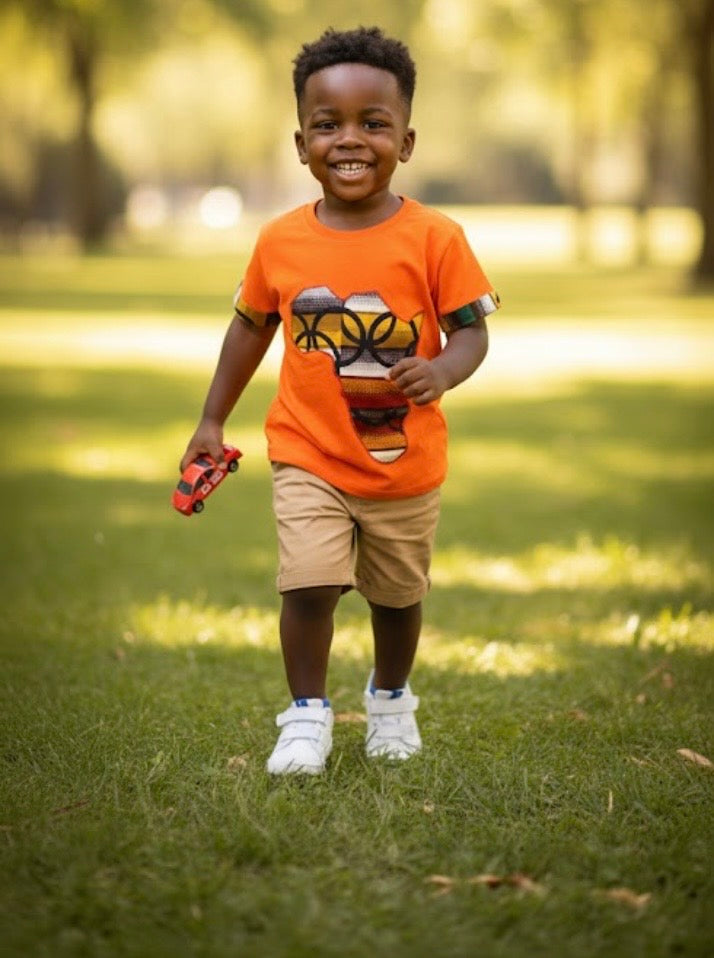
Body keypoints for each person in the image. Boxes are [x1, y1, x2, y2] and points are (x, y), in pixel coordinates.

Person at [179, 26, 500, 775]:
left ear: (407, 141)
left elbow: (472, 334)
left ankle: (390, 700)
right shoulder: (279, 242)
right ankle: (307, 716)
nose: (349, 140)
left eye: (372, 123)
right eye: (328, 125)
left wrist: (444, 373)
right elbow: (249, 329)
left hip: (402, 460)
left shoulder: (436, 237)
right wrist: (211, 418)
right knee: (310, 581)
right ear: (301, 143)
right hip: (308, 449)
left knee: (396, 597)